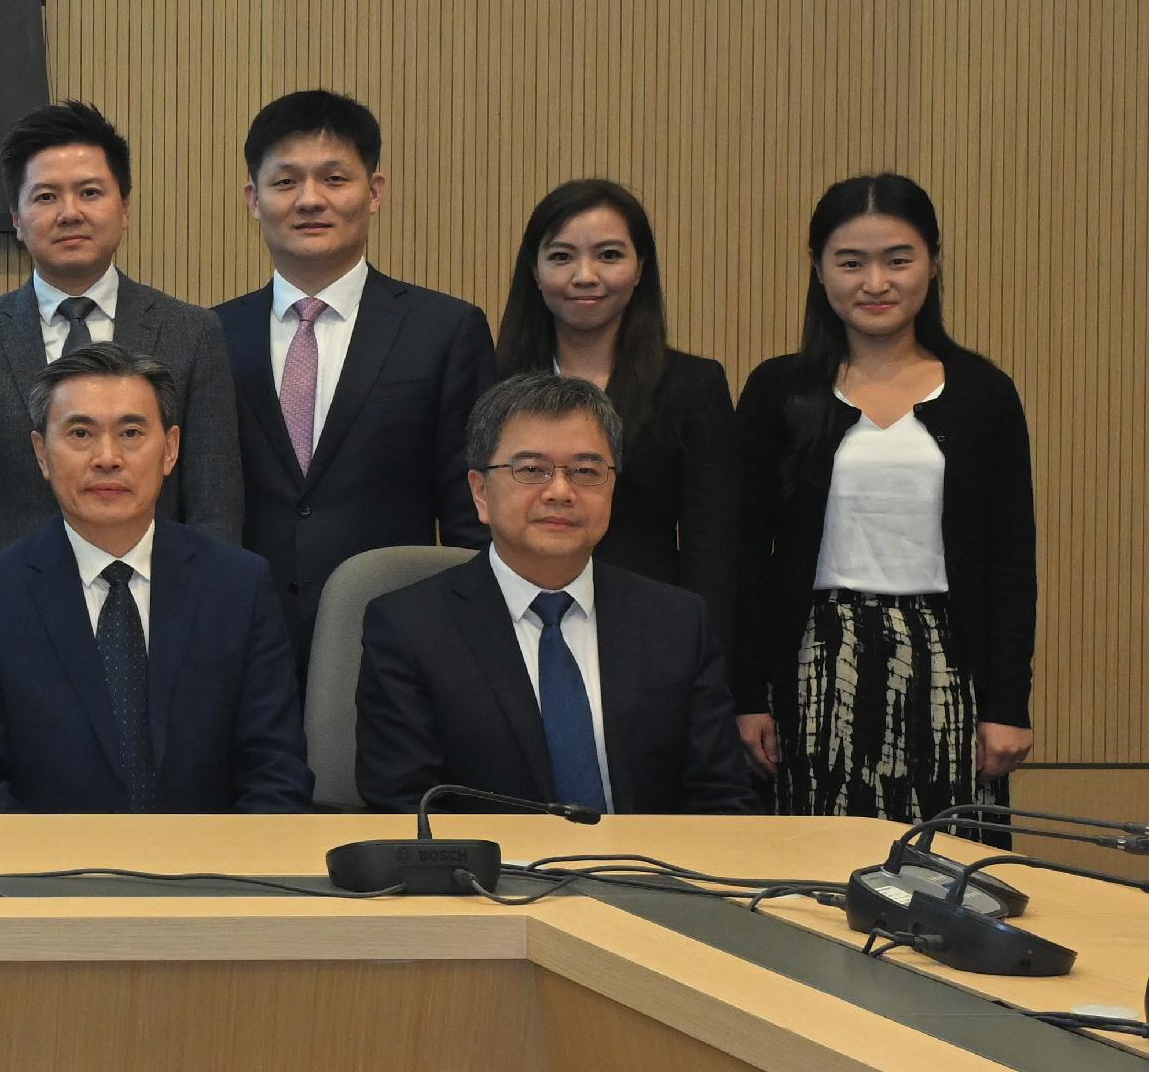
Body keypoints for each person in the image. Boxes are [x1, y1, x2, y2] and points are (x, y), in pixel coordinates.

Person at [734, 174, 1036, 821]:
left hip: (948, 662)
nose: (876, 283)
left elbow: (1011, 561)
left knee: (946, 871)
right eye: (851, 262)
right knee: (816, 871)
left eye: (898, 260)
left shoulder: (984, 393)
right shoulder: (777, 390)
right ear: (818, 270)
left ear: (932, 262)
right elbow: (743, 558)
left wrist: (1009, 704)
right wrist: (747, 696)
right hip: (816, 663)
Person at [351, 372, 757, 817]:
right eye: (531, 470)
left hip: (648, 878)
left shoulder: (676, 622)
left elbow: (722, 802)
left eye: (586, 471)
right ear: (480, 492)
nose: (560, 492)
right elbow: (406, 807)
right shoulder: (410, 628)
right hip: (485, 881)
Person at [0, 345, 310, 814]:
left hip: (210, 875)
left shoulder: (237, 586)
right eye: (80, 433)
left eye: (131, 432)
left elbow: (276, 771)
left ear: (170, 449)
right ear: (41, 453)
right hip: (46, 877)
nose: (107, 458)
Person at [0, 101, 241, 601]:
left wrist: (207, 612)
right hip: (14, 607)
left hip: (159, 605)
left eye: (90, 192)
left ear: (125, 208)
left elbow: (214, 503)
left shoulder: (193, 332)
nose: (69, 213)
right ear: (17, 219)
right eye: (46, 196)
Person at [213, 89, 492, 656]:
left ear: (375, 192)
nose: (309, 200)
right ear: (253, 198)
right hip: (243, 640)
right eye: (286, 182)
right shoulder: (209, 335)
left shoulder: (444, 330)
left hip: (400, 638)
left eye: (334, 179)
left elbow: (474, 511)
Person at [493, 180, 741, 654]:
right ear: (535, 270)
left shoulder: (693, 385)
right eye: (562, 257)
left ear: (640, 268)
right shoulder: (492, 382)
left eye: (609, 255)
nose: (585, 275)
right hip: (513, 628)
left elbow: (714, 548)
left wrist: (711, 665)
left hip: (653, 630)